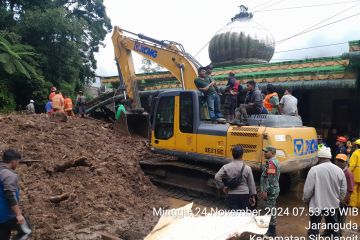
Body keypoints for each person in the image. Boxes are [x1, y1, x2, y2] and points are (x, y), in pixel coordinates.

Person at [303, 146, 346, 238]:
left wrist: (306, 200)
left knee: (314, 228)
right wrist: (338, 200)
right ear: (330, 157)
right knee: (333, 228)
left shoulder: (314, 170)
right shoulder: (339, 171)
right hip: (332, 204)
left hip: (316, 204)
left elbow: (308, 190)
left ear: (319, 158)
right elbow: (343, 190)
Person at [0, 149, 31, 239]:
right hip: (7, 214)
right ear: (13, 161)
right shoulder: (9, 175)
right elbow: (10, 195)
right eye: (18, 161)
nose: (17, 164)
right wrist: (18, 214)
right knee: (27, 231)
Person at [214, 145, 256, 210]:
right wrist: (252, 196)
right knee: (244, 216)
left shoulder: (226, 167)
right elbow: (251, 184)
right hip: (245, 195)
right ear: (242, 155)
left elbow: (217, 177)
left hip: (232, 194)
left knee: (233, 217)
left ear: (232, 155)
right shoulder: (248, 168)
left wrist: (222, 187)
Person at [259, 146, 280, 237]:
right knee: (271, 209)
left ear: (272, 153)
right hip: (274, 189)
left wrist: (266, 191)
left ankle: (271, 232)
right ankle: (270, 231)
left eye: (266, 152)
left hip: (271, 190)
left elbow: (270, 179)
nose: (264, 153)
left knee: (270, 210)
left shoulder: (271, 163)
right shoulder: (275, 161)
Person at [335, 153, 354, 235]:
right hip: (337, 198)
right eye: (338, 161)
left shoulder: (348, 173)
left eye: (342, 161)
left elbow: (350, 189)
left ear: (346, 163)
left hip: (343, 200)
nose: (339, 163)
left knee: (341, 217)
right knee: (335, 216)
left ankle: (339, 233)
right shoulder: (337, 171)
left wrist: (345, 200)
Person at [349, 139, 360, 207]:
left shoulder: (355, 153)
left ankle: (353, 204)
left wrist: (348, 172)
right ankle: (358, 204)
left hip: (356, 175)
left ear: (356, 145)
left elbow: (352, 165)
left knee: (354, 189)